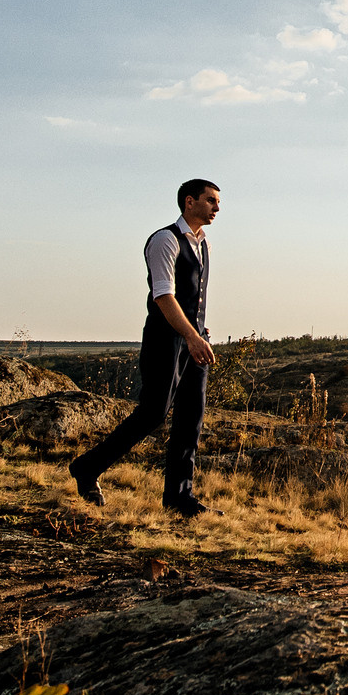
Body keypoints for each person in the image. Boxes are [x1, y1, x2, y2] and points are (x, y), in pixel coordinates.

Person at [69, 178, 222, 518]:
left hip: (194, 341)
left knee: (191, 419)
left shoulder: (204, 244)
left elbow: (192, 296)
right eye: (210, 200)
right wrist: (191, 336)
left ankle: (179, 498)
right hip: (164, 341)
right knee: (153, 414)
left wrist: (199, 330)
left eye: (217, 202)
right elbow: (164, 296)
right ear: (189, 202)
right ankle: (87, 468)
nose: (217, 207)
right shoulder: (164, 240)